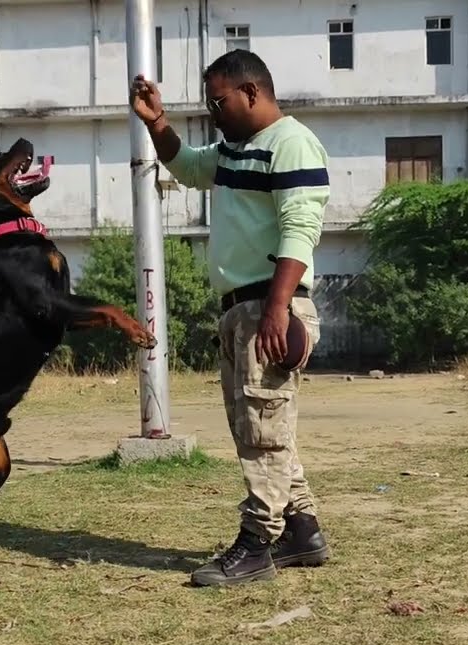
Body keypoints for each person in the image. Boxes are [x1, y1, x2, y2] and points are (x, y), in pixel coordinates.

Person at [130, 49, 331, 587]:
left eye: (218, 101)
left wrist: (277, 307)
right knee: (261, 426)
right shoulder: (237, 149)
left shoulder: (290, 144)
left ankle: (257, 543)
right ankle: (302, 529)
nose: (214, 112)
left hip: (271, 303)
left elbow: (300, 229)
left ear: (251, 92)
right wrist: (158, 124)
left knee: (263, 429)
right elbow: (190, 168)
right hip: (245, 307)